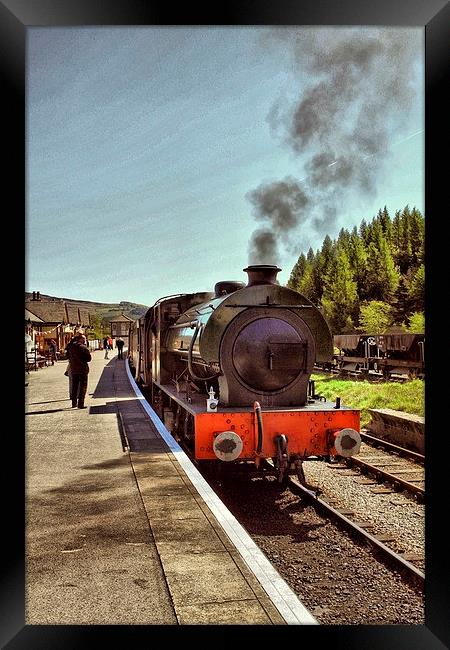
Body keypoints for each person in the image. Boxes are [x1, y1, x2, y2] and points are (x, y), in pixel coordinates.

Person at [66, 333, 91, 409]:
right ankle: (81, 404)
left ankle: (74, 403)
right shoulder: (83, 348)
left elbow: (67, 356)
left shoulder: (70, 347)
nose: (84, 340)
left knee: (75, 386)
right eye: (84, 339)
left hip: (74, 369)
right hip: (82, 369)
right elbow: (89, 359)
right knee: (83, 387)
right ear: (80, 339)